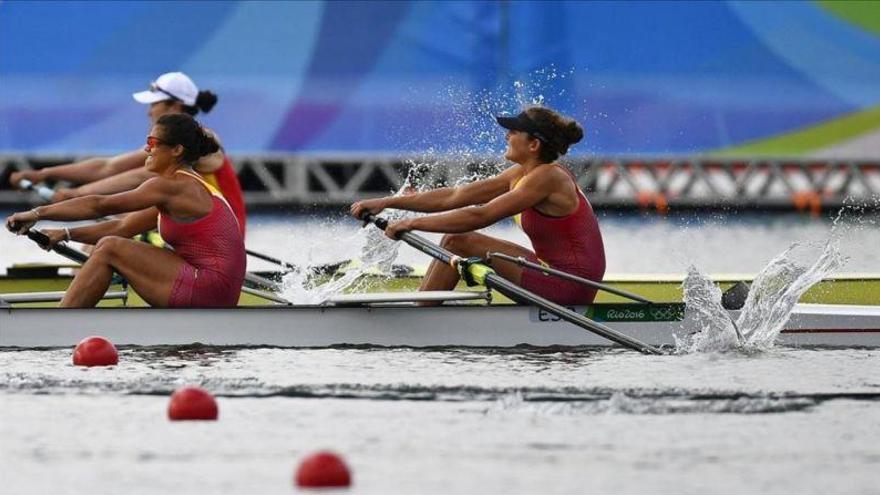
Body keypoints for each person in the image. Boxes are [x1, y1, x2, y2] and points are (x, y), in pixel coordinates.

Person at [350, 106, 605, 305]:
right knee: (456, 240)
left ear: (533, 144)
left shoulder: (548, 177)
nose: (507, 135)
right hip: (553, 272)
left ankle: (420, 317)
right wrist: (387, 201)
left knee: (458, 241)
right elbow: (455, 196)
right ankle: (424, 307)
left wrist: (411, 223)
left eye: (513, 132)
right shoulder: (520, 174)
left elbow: (481, 215)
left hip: (570, 284)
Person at [5, 113, 246, 308]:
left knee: (110, 247)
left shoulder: (172, 186)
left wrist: (36, 214)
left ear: (176, 150)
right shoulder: (181, 190)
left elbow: (100, 205)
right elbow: (122, 226)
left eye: (152, 143)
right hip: (217, 289)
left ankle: (58, 325)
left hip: (209, 288)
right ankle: (69, 318)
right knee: (111, 242)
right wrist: (66, 234)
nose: (145, 150)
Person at [8, 71, 247, 236]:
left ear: (174, 106)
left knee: (106, 241)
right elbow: (108, 167)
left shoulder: (202, 140)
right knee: (100, 240)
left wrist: (76, 193)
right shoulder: (173, 143)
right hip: (190, 222)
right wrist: (43, 173)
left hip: (222, 231)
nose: (149, 112)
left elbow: (141, 176)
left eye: (154, 104)